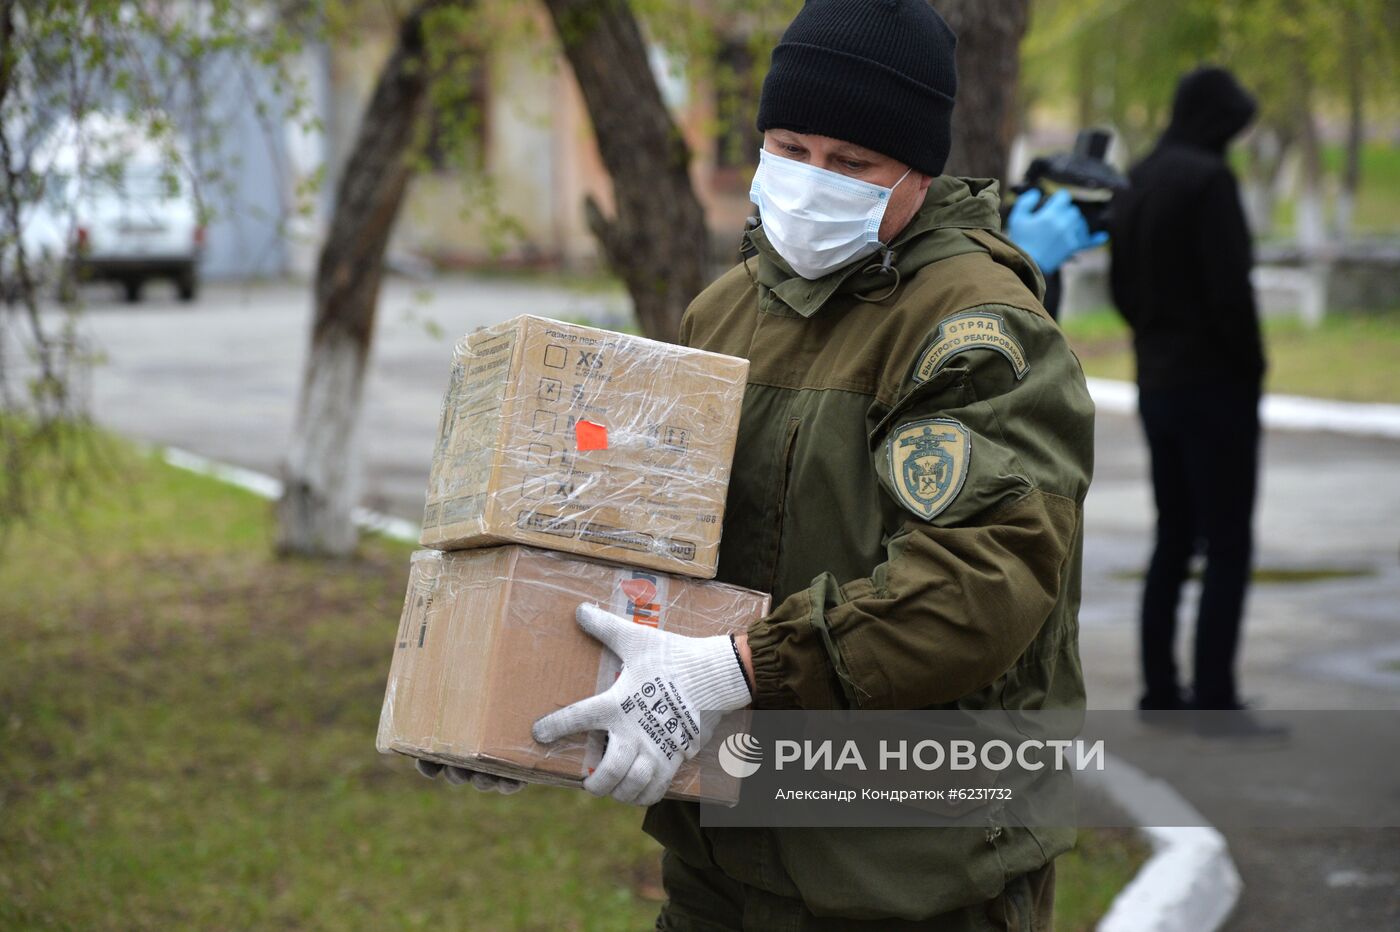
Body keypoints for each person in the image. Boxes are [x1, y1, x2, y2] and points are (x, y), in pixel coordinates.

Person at [422, 1, 1095, 926]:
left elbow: (980, 586)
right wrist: (504, 701)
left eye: (853, 163)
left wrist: (737, 672)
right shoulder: (729, 309)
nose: (814, 181)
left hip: (915, 869)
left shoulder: (977, 332)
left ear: (919, 170)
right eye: (790, 147)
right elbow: (652, 543)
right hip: (725, 856)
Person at [1107, 67, 1264, 714]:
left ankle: (1160, 689)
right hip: (1216, 389)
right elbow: (1231, 294)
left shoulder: (1139, 177)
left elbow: (1120, 288)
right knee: (1227, 541)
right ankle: (1215, 696)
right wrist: (1250, 368)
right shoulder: (1209, 181)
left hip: (1157, 381)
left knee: (1173, 534)